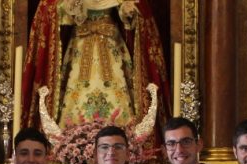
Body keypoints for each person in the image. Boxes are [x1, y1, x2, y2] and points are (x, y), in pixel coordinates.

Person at [21, 0, 168, 132]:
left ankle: (121, 134)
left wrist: (128, 10)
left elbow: (137, 12)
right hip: (80, 45)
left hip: (111, 44)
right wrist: (70, 7)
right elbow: (52, 10)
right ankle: (72, 138)